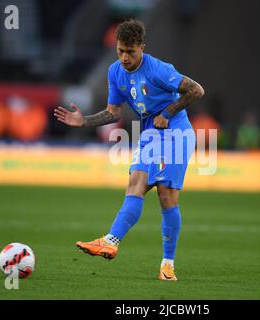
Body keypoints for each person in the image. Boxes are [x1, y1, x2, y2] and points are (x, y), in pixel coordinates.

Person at [53, 19, 204, 281]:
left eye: (130, 52)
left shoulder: (159, 69)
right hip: (150, 133)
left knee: (165, 197)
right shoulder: (115, 71)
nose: (124, 57)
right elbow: (113, 113)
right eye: (120, 50)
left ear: (142, 48)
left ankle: (166, 264)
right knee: (139, 183)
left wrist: (168, 112)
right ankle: (111, 241)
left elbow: (196, 90)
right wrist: (84, 121)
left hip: (176, 133)